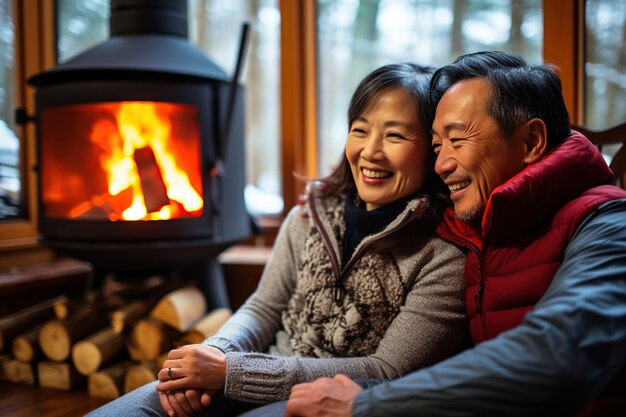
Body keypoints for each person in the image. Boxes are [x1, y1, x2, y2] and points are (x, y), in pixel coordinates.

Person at [85, 63, 468, 417]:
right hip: (244, 375)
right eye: (360, 129)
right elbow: (263, 307)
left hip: (329, 401)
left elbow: (388, 370)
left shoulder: (444, 253)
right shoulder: (310, 213)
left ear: (433, 150)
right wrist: (209, 358)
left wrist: (232, 372)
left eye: (395, 135)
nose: (370, 151)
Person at [281, 51, 626, 417]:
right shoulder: (471, 228)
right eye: (436, 145)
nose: (442, 165)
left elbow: (556, 357)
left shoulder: (608, 223)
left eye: (457, 140)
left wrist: (366, 404)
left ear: (530, 142)